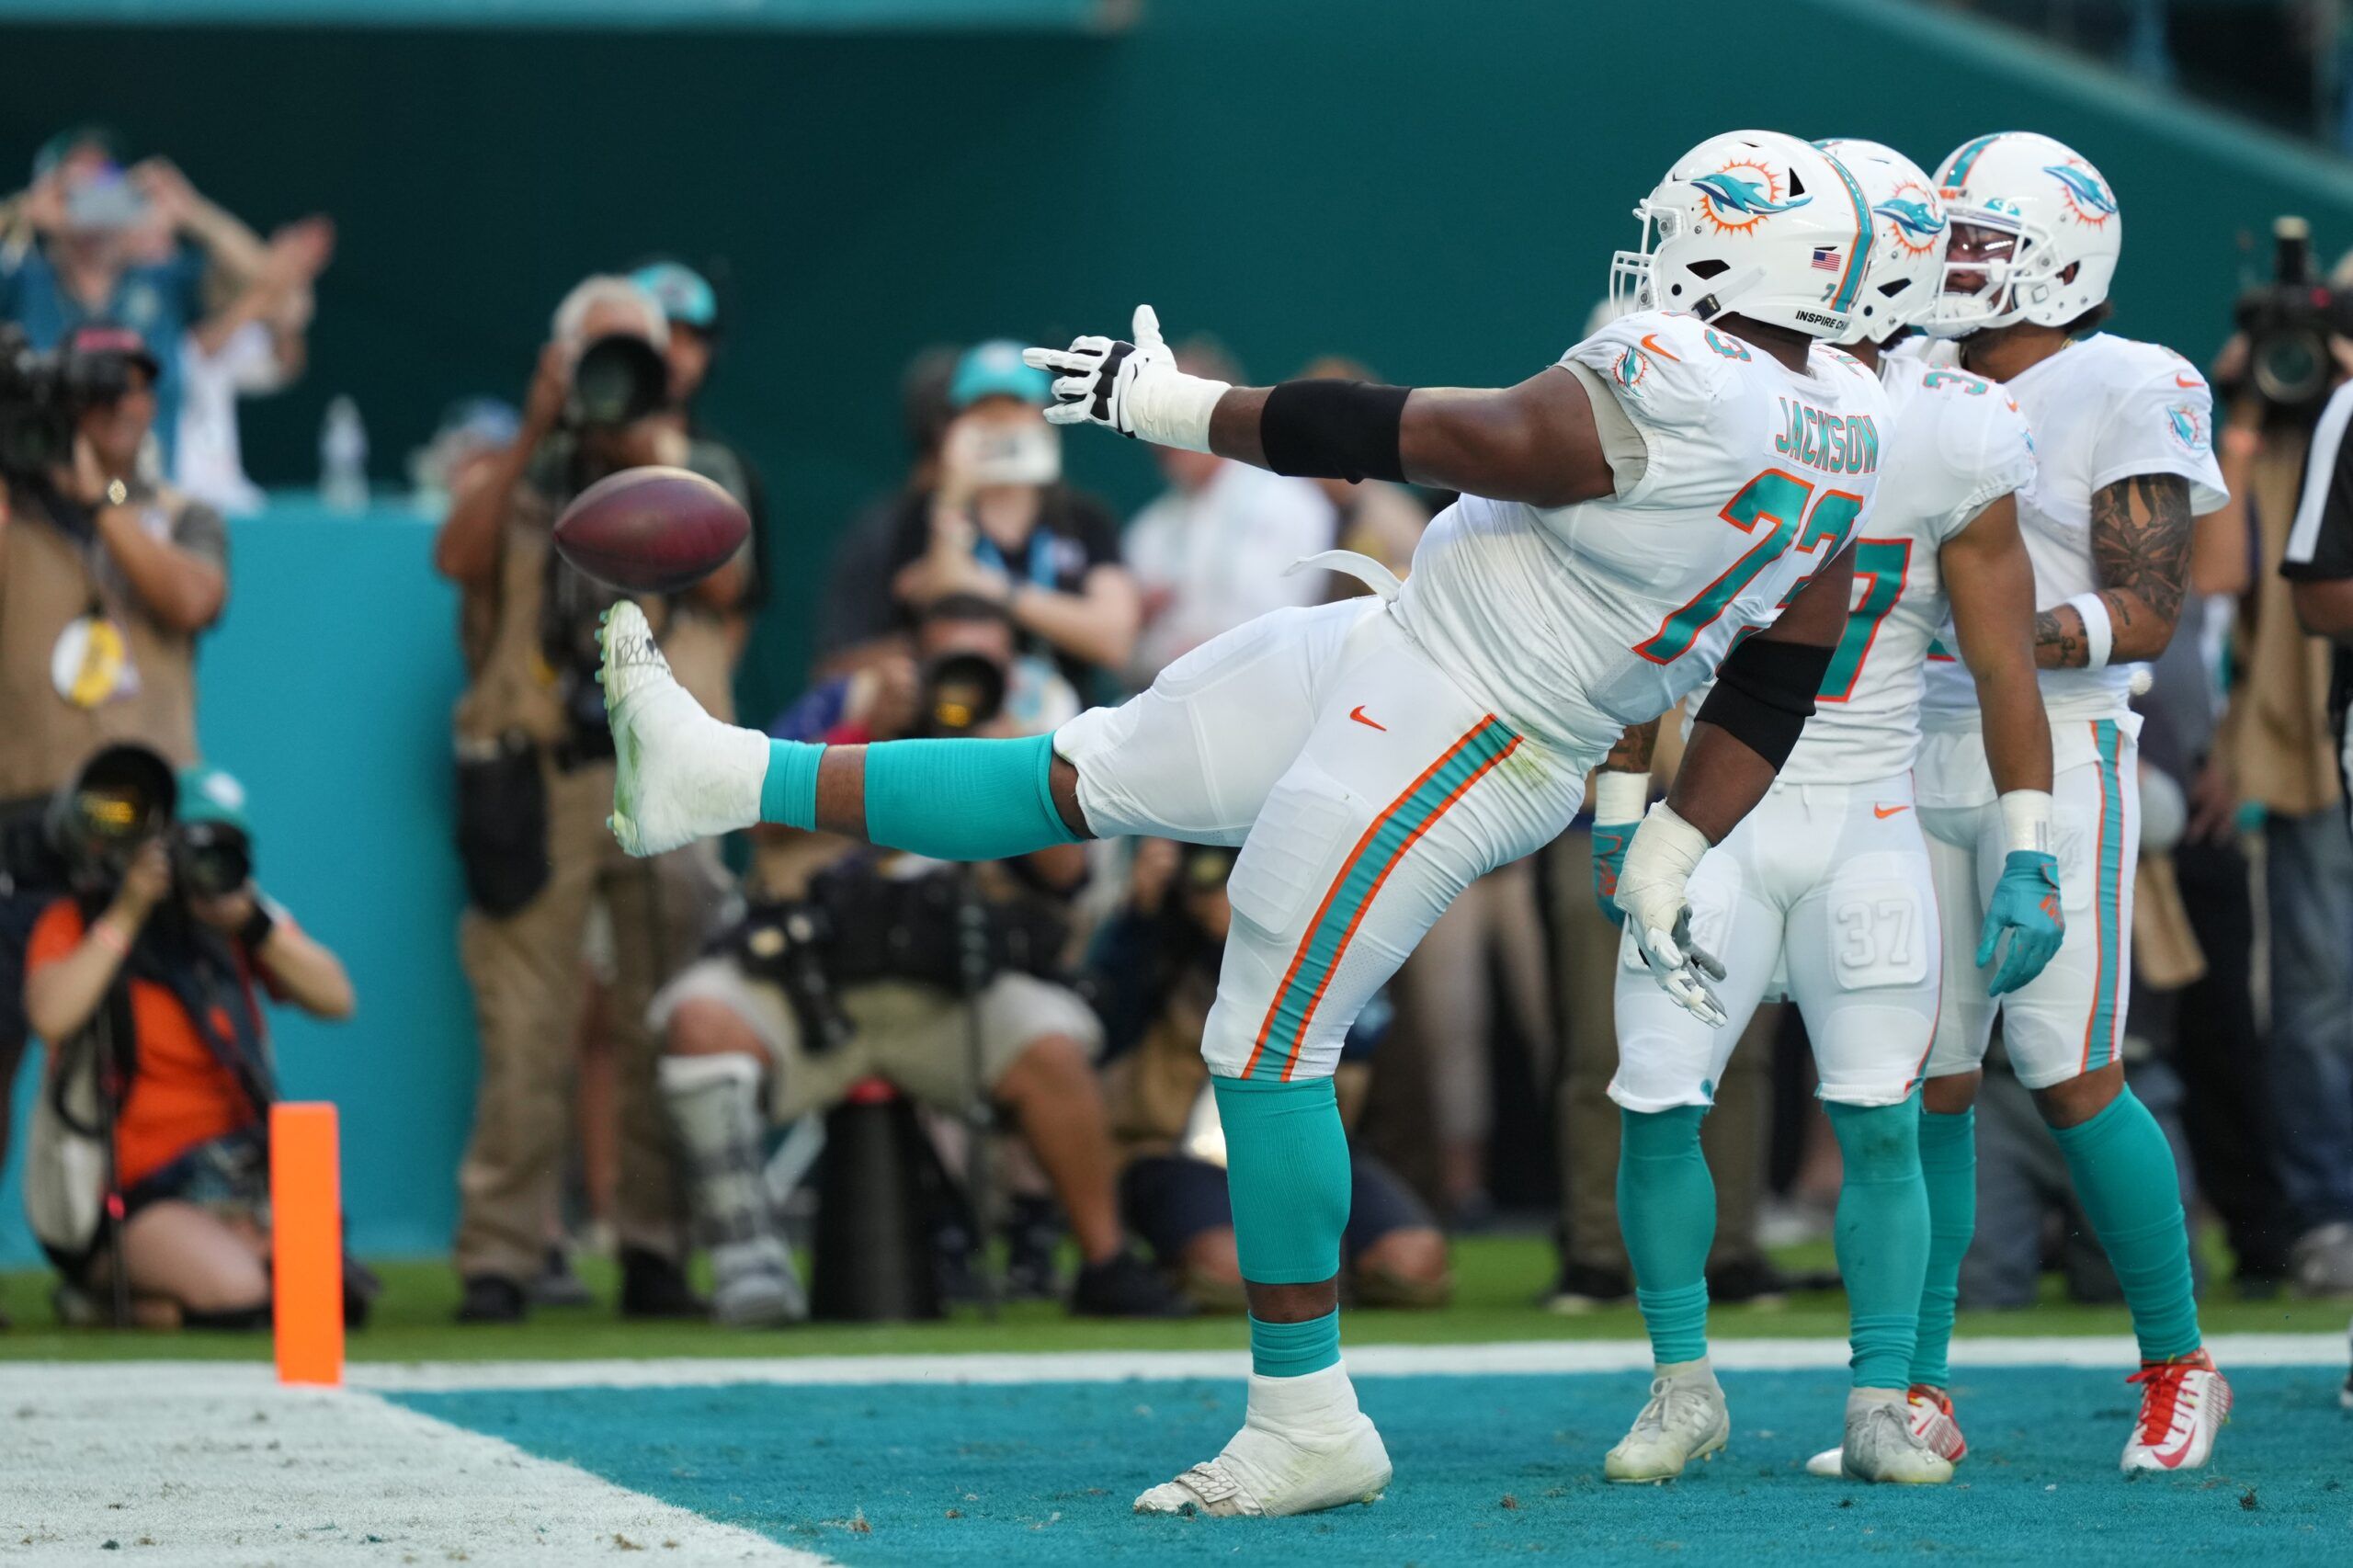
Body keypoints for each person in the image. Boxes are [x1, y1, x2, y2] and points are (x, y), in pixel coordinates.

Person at [598, 128, 1889, 1517]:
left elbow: (1447, 437)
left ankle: (1307, 1415)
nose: (1650, 256)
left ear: (1732, 244)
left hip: (1474, 728)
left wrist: (1180, 407)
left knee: (1266, 1040)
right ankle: (720, 777)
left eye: (1678, 228)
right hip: (1411, 645)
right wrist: (1679, 837)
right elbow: (1780, 669)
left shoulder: (1683, 378)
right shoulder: (1850, 426)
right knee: (1078, 771)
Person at [1588, 141, 2056, 1486]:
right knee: (1658, 1095)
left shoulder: (1952, 424)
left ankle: (1877, 1397)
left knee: (1882, 1114)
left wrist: (2029, 845)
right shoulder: (1717, 394)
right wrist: (1627, 800)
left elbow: (2007, 655)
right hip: (1719, 814)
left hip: (1863, 804)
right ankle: (1683, 1384)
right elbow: (1648, 619)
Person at [1891, 132, 2233, 1471]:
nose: (1949, 266)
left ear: (2060, 257)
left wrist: (1999, 641)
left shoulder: (2131, 378)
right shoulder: (1912, 375)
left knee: (2072, 1069)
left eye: (1976, 243)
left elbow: (2152, 604)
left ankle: (2180, 1358)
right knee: (1921, 1077)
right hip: (1903, 743)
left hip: (2064, 746)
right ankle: (1915, 1385)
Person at [653, 595, 1185, 1324]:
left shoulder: (1034, 727)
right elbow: (752, 813)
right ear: (910, 655)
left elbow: (1068, 877)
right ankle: (748, 1263)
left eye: (982, 664)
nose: (961, 683)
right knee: (698, 1019)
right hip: (813, 980)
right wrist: (866, 734)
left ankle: (1105, 1261)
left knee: (1053, 1045)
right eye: (947, 664)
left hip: (953, 990)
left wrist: (1009, 766)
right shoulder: (845, 703)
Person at [431, 274, 747, 1324]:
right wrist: (536, 428)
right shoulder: (514, 478)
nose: (616, 383)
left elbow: (724, 580)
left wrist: (642, 455)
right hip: (540, 772)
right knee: (525, 1024)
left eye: (633, 358)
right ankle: (502, 1256)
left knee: (669, 1007)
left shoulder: (691, 469)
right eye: (597, 358)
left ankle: (657, 1249)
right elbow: (454, 558)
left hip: (660, 768)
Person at [0, 323, 230, 1221]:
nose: (121, 408)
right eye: (99, 394)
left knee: (169, 1045)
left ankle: (144, 1241)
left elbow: (191, 598)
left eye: (137, 389)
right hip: (25, 815)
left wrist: (100, 503)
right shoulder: (13, 513)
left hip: (147, 823)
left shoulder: (178, 512)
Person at [21, 748, 354, 1328]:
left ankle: (145, 1307)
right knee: (242, 1296)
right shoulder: (82, 920)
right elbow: (52, 1015)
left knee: (327, 1299)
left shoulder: (239, 921)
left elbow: (336, 998)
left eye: (221, 848)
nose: (201, 865)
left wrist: (251, 923)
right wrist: (128, 911)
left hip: (238, 1172)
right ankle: (109, 1288)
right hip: (132, 1189)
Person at [1090, 839, 1450, 1311]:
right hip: (1180, 1152)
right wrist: (1141, 915)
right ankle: (1207, 1259)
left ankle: (1326, 1259)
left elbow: (1366, 1033)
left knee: (1413, 1266)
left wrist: (1270, 941)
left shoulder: (1320, 931)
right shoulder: (1157, 940)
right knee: (1225, 1271)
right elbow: (1102, 1028)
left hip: (1310, 1143)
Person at [882, 340, 1142, 706]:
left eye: (1015, 407)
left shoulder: (1084, 518)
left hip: (1065, 726)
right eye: (984, 410)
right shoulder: (922, 514)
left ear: (1043, 415)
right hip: (962, 715)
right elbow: (941, 597)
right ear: (957, 424)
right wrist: (953, 494)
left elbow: (1115, 639)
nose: (1000, 422)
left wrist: (993, 588)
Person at [0, 130, 269, 473]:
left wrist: (192, 212)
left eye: (105, 184)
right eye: (76, 187)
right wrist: (20, 211)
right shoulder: (23, 282)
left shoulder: (161, 282)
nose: (91, 200)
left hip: (141, 495)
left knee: (119, 503)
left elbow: (261, 278)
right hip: (42, 499)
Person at [1120, 342, 1336, 684]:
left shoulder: (1291, 501)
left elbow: (1294, 620)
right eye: (1150, 416)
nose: (1162, 433)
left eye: (1173, 411)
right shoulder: (1148, 529)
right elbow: (1129, 655)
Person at [173, 216, 335, 515]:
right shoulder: (181, 296)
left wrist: (284, 309)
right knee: (117, 496)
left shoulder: (252, 333)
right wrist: (264, 293)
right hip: (154, 474)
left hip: (218, 486)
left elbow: (286, 368)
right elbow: (200, 350)